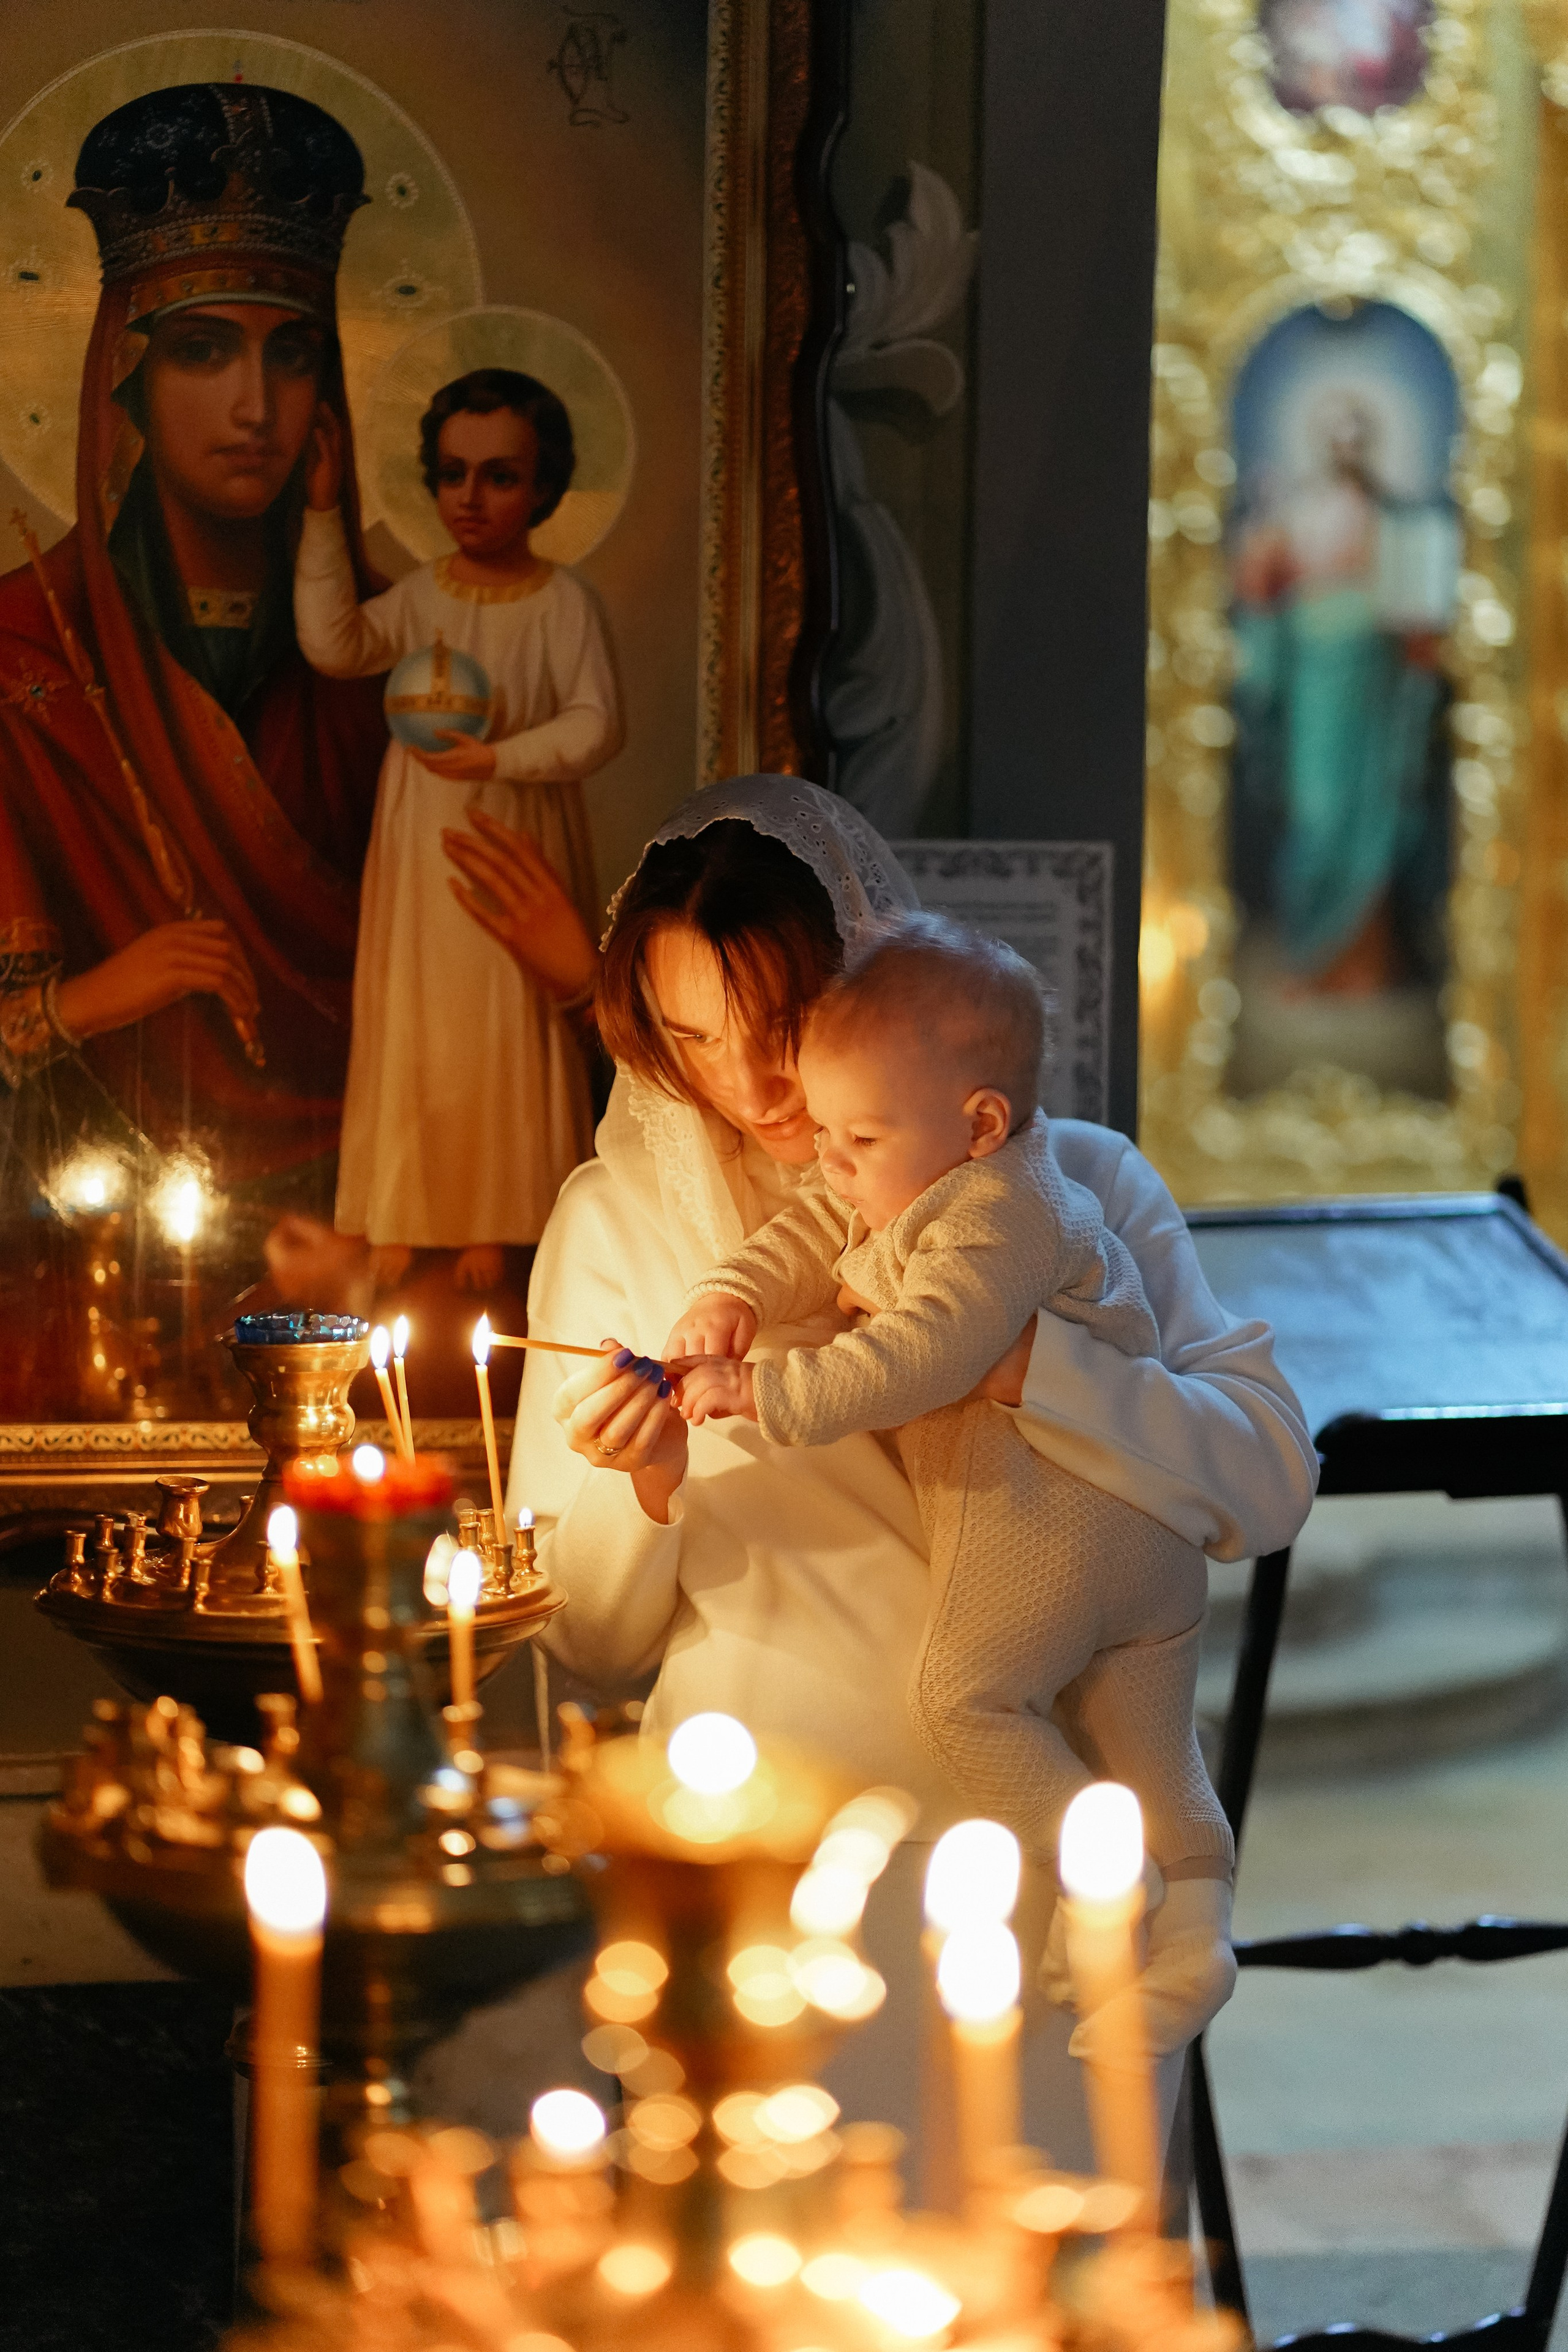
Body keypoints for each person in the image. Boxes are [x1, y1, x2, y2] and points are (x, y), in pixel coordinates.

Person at [460, 775, 1315, 2174]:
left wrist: (1032, 1368)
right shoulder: (621, 1225)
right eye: (689, 1039)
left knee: (1060, 2285)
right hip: (777, 1868)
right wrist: (644, 1480)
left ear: (865, 966)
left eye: (781, 1026)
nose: (748, 1085)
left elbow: (1267, 1485)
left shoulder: (1072, 1185)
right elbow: (599, 1643)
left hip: (1067, 1876)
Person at [666, 913, 1235, 2066]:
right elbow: (817, 1225)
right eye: (823, 1130)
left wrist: (758, 1390)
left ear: (980, 1121)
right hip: (1152, 1547)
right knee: (1153, 1750)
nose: (829, 1160)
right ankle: (1200, 1936)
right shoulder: (925, 1168)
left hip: (1059, 1523)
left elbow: (922, 1357)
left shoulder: (1000, 1216)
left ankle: (1102, 1883)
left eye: (855, 1137)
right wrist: (734, 1291)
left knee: (965, 1698)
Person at [0, 81, 388, 1185]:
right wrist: (100, 993)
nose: (257, 407)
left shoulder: (400, 659)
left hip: (366, 1206)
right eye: (206, 351)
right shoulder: (22, 652)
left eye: (293, 355)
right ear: (125, 374)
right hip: (96, 1222)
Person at [295, 367, 620, 1292]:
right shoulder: (425, 594)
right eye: (452, 474)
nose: (470, 499)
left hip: (514, 834)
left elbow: (597, 722)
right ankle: (404, 1210)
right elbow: (336, 646)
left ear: (543, 486)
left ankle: (501, 1213)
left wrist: (496, 760)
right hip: (420, 833)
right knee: (418, 1018)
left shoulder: (562, 604)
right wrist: (324, 515)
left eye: (500, 476)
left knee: (502, 1022)